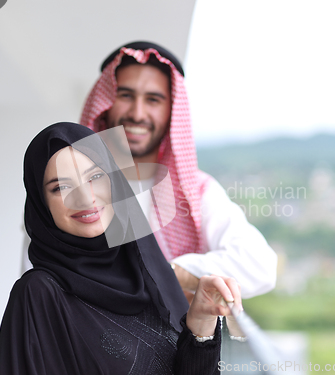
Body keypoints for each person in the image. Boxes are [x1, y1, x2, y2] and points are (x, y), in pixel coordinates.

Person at [0, 122, 243, 375]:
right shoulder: (39, 293)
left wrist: (200, 325)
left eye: (96, 177)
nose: (86, 197)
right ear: (41, 204)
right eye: (61, 187)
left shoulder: (146, 273)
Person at [78, 41, 277, 299]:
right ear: (105, 104)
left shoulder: (196, 189)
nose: (138, 113)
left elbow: (259, 266)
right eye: (125, 95)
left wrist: (166, 272)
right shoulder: (70, 188)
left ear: (172, 111)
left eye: (153, 99)